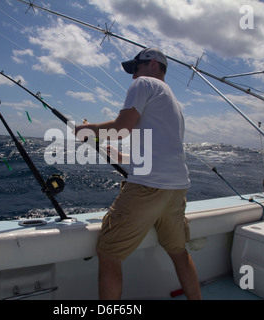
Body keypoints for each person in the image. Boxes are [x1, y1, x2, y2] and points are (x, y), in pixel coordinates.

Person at [74, 48, 201, 300]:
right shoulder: (174, 102)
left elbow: (121, 129)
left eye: (136, 68)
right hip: (176, 190)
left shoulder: (144, 83)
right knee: (178, 251)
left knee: (109, 252)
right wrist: (114, 153)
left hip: (147, 189)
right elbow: (158, 153)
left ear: (153, 65)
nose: (133, 76)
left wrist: (87, 129)